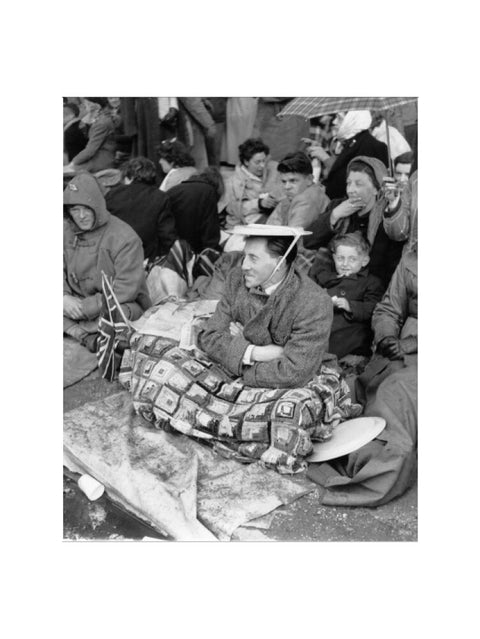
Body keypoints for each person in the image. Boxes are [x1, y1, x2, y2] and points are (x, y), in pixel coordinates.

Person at [307, 250, 417, 506]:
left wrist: (411, 344)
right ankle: (323, 448)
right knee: (345, 389)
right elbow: (388, 308)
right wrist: (387, 336)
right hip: (397, 349)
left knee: (393, 394)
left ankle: (377, 472)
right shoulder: (413, 259)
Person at [199, 225, 333, 388]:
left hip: (290, 384)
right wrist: (258, 352)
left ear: (280, 263)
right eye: (244, 256)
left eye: (253, 258)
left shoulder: (314, 302)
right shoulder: (236, 279)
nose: (244, 266)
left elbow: (293, 373)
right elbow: (210, 337)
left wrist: (238, 351)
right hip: (258, 371)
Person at [63, 172, 151, 351]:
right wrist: (63, 298)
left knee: (120, 315)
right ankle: (86, 335)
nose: (81, 216)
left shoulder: (124, 237)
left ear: (98, 206)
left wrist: (87, 307)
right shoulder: (67, 232)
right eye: (74, 210)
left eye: (87, 208)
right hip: (75, 301)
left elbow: (126, 288)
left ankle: (78, 330)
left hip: (115, 304)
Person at [303, 155, 405, 286]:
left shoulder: (387, 218)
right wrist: (334, 215)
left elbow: (386, 268)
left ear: (376, 188)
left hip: (367, 291)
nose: (351, 190)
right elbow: (309, 241)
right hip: (329, 282)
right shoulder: (337, 206)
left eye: (359, 184)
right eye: (348, 183)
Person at [309, 232, 384, 358]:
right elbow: (310, 293)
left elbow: (373, 308)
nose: (345, 264)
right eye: (340, 258)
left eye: (352, 259)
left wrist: (350, 306)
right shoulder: (326, 276)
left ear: (364, 261)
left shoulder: (371, 282)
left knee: (336, 339)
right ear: (334, 258)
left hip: (350, 328)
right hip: (322, 321)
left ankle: (319, 356)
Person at [105, 157, 177, 263]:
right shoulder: (160, 197)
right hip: (147, 258)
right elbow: (167, 235)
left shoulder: (112, 194)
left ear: (129, 176)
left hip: (116, 255)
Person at [308, 111, 389, 200]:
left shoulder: (368, 146)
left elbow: (343, 180)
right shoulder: (352, 142)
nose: (334, 122)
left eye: (339, 118)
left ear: (352, 119)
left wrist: (325, 158)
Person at [224, 137, 282, 229]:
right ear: (246, 162)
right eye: (257, 162)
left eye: (264, 161)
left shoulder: (273, 171)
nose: (262, 166)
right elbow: (233, 209)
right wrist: (259, 204)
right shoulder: (233, 182)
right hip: (243, 226)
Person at [165, 167, 223, 254]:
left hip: (171, 250)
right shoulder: (208, 191)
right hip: (191, 251)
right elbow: (210, 232)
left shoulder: (173, 190)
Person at [267, 152, 330, 230]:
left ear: (309, 179)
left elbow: (290, 237)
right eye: (284, 182)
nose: (287, 187)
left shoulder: (306, 199)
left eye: (293, 181)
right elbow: (270, 227)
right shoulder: (292, 197)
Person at [64, 97, 116, 173]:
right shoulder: (101, 120)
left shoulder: (101, 123)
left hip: (100, 161)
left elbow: (90, 150)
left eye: (87, 104)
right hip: (98, 159)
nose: (84, 106)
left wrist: (72, 163)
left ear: (96, 106)